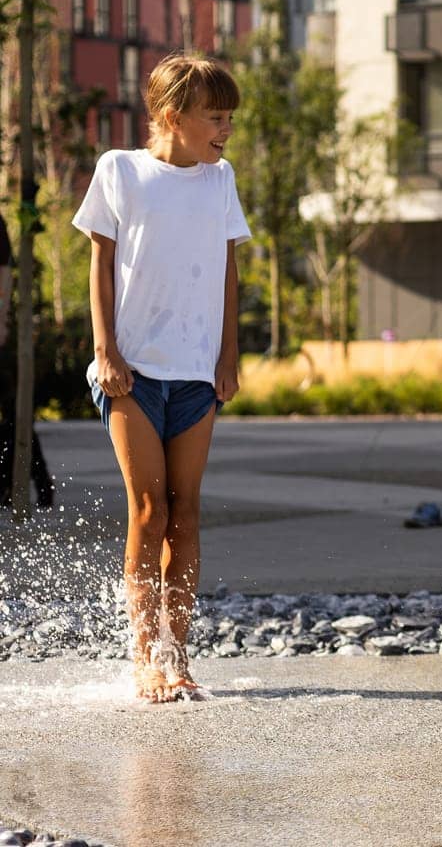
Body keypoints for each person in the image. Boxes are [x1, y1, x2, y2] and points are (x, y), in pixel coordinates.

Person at [73, 53, 251, 703]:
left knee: (187, 511)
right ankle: (145, 655)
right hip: (133, 372)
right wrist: (106, 349)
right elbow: (100, 261)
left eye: (229, 118)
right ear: (173, 116)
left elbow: (229, 270)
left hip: (197, 374)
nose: (225, 130)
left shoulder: (219, 179)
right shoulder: (120, 171)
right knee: (148, 512)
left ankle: (178, 653)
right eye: (216, 117)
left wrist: (229, 355)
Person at [0, 213, 55, 508]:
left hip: (5, 342)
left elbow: (4, 274)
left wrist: (0, 321)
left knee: (16, 417)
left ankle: (31, 485)